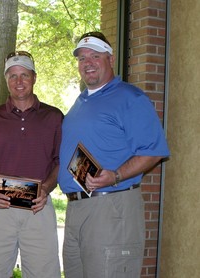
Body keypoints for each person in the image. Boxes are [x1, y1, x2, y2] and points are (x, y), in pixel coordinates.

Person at [58, 31, 170, 278]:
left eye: (94, 56)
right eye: (82, 58)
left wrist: (116, 175)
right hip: (77, 208)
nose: (87, 62)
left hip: (111, 206)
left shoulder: (130, 98)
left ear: (110, 59)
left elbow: (153, 152)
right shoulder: (81, 102)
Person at [0, 51, 63, 278]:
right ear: (6, 80)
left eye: (24, 75)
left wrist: (46, 188)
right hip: (0, 209)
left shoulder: (54, 117)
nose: (19, 82)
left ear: (34, 78)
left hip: (37, 209)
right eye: (12, 76)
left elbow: (61, 162)